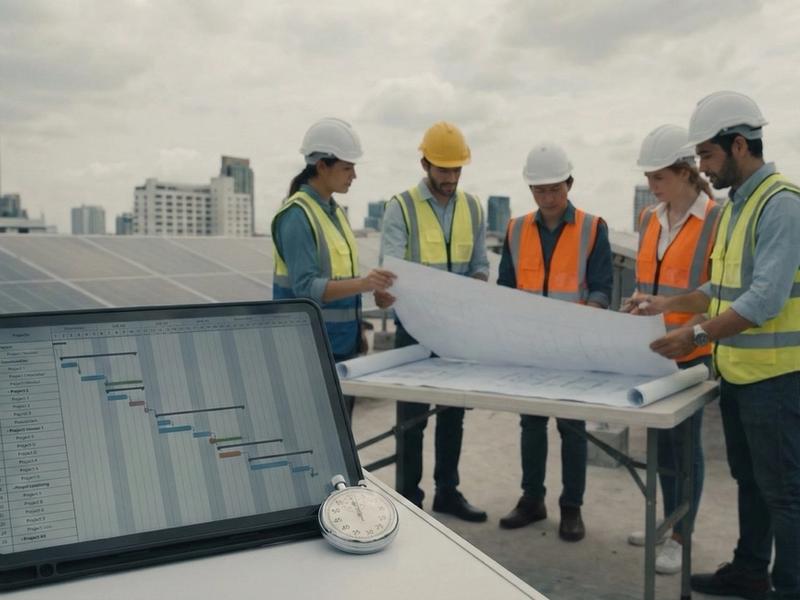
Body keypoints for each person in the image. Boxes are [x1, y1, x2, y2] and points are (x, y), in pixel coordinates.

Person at [641, 91, 800, 599]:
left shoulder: (781, 206)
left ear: (738, 145)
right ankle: (750, 571)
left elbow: (763, 300)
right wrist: (666, 305)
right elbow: (717, 288)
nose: (702, 168)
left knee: (785, 494)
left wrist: (695, 333)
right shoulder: (738, 207)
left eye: (707, 155)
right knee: (750, 483)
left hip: (777, 380)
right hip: (739, 375)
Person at [497, 143, 613, 541]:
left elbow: (601, 288)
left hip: (573, 348)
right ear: (531, 190)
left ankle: (571, 506)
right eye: (540, 190)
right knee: (531, 423)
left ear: (569, 183)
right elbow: (506, 290)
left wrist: (582, 321)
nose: (547, 197)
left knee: (572, 428)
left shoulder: (593, 227)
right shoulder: (515, 229)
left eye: (554, 189)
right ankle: (532, 500)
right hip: (529, 346)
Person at [375, 121, 489, 521]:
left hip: (456, 331)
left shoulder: (473, 207)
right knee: (412, 417)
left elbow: (479, 265)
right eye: (443, 170)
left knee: (452, 413)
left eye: (457, 170)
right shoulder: (401, 207)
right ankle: (407, 497)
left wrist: (474, 285)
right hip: (414, 327)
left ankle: (448, 492)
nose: (451, 178)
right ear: (425, 164)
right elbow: (391, 268)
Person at [622, 124, 722, 574]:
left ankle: (683, 535)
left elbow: (719, 292)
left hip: (693, 350)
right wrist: (639, 301)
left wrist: (693, 332)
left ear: (685, 172)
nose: (651, 186)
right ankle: (667, 520)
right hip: (653, 348)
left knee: (686, 447)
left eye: (658, 177)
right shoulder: (650, 219)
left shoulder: (717, 220)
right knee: (660, 443)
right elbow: (651, 282)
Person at [272, 117, 395, 417]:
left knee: (341, 444)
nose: (353, 176)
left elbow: (341, 281)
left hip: (341, 347)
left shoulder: (334, 212)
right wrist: (366, 284)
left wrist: (361, 323)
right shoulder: (297, 216)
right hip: (309, 352)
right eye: (347, 167)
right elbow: (306, 288)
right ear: (322, 166)